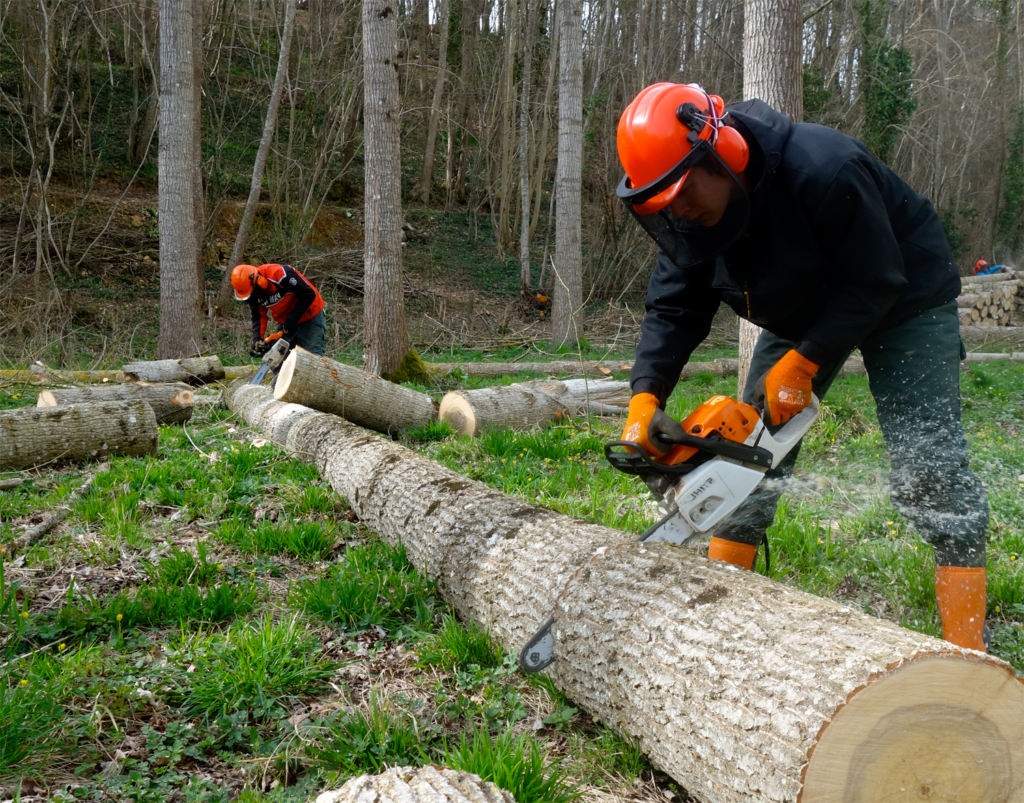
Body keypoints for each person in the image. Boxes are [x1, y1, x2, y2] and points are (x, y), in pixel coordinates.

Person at [616, 83, 989, 651]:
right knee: (747, 453)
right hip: (801, 309)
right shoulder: (687, 219)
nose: (681, 210)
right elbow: (673, 307)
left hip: (904, 294)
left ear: (725, 154)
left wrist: (807, 359)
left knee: (929, 460)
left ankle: (969, 647)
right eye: (664, 205)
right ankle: (717, 622)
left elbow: (876, 278)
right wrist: (647, 393)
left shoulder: (825, 170)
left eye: (685, 191)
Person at [230, 263, 327, 358]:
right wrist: (257, 339)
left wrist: (291, 320)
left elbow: (308, 294)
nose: (254, 297)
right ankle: (279, 374)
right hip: (285, 320)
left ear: (260, 281)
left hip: (309, 315)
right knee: (275, 356)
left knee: (313, 357)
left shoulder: (280, 274)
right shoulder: (251, 292)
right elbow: (258, 316)